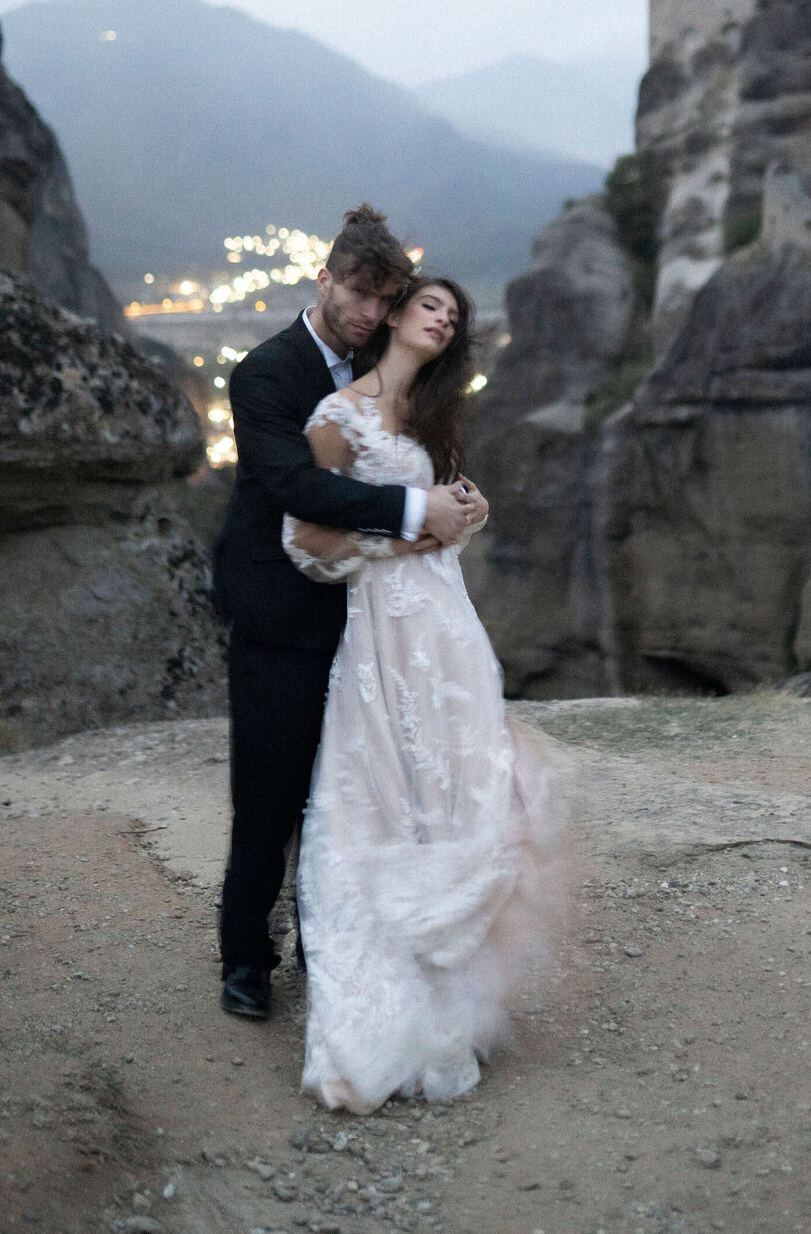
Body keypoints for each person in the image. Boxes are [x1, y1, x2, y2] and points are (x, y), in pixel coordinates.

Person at [283, 274, 561, 1112]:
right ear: (397, 313)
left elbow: (436, 526)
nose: (442, 320)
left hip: (445, 623)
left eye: (455, 316)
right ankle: (385, 1018)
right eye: (430, 306)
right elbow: (308, 543)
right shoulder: (337, 418)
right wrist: (415, 530)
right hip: (381, 628)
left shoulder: (434, 418)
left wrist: (459, 517)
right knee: (387, 789)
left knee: (461, 776)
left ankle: (458, 1001)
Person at [213, 206, 476, 1019]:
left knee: (360, 787)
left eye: (382, 298)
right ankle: (246, 959)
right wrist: (411, 511)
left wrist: (455, 498)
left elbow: (420, 446)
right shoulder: (264, 373)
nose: (367, 312)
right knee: (271, 787)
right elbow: (294, 488)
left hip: (371, 615)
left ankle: (335, 940)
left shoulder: (384, 363)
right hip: (281, 607)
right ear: (324, 279)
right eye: (358, 293)